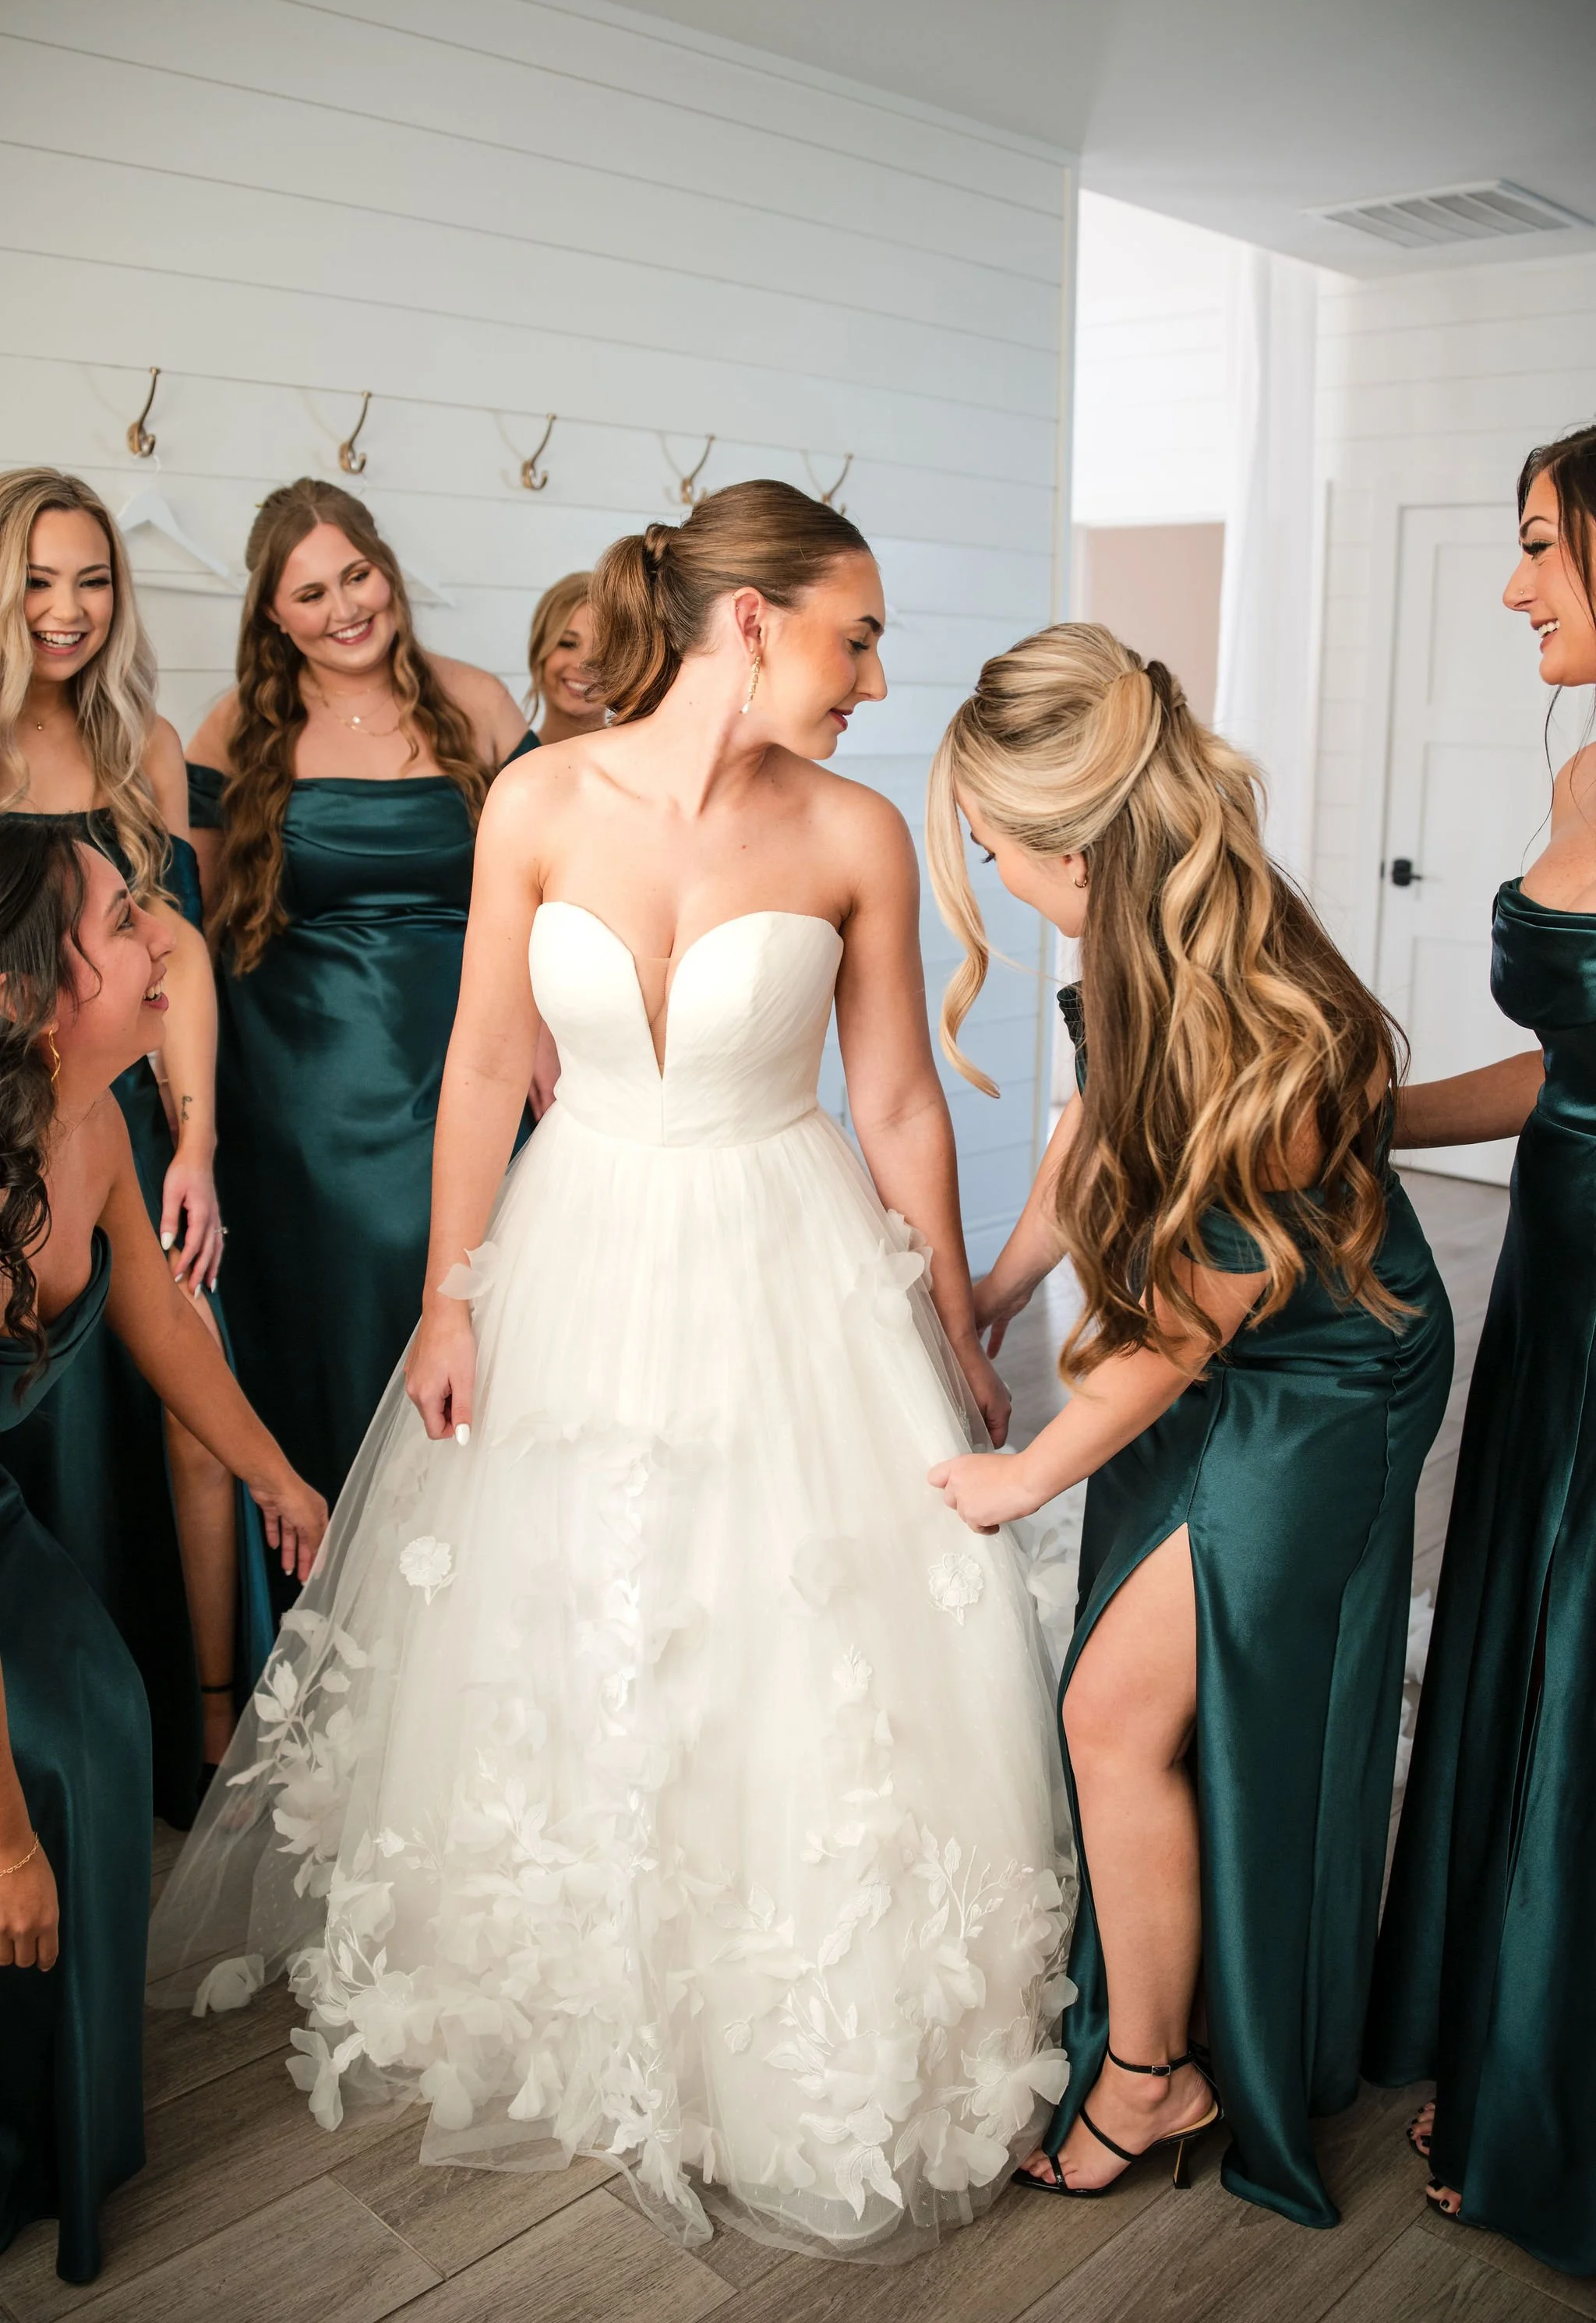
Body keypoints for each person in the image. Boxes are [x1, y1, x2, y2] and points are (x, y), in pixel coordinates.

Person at [150, 481, 1075, 2261]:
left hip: (782, 1251)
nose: (875, 675)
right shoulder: (536, 797)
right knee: (578, 1599)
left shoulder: (853, 830)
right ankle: (574, 1973)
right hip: (572, 1248)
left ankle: (768, 2001)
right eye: (852, 633)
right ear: (748, 624)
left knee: (774, 1616)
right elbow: (488, 1058)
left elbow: (891, 1101)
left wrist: (953, 1318)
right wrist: (446, 1292)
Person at [924, 625, 1453, 2227]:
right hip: (1228, 1338)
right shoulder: (1143, 934)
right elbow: (1093, 1143)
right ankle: (1169, 2037)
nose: (990, 876)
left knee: (1109, 1712)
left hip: (1326, 1368)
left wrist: (1021, 1473)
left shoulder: (1230, 985)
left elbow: (1184, 1321)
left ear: (1071, 848)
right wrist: (998, 1292)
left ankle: (1155, 2076)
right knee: (1135, 1706)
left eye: (993, 850)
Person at [0, 820, 326, 2283]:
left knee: (110, 1722)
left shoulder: (86, 1116)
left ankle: (53, 2125)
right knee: (42, 1783)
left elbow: (152, 1319)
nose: (163, 944)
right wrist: (3, 1837)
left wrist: (278, 1477)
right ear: (26, 987)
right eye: (126, 922)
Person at [1365, 424, 1596, 2276]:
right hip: (1561, 1249)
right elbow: (1563, 1067)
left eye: (1534, 544)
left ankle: (1545, 2080)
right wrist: (1364, 1112)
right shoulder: (1588, 762)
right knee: (1528, 1603)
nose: (1513, 582)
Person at [0, 466, 272, 1816]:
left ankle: (207, 1725)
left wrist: (197, 1138)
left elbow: (177, 953)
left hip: (131, 1112)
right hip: (13, 1133)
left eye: (93, 578)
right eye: (40, 580)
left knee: (196, 1386)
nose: (68, 609)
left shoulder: (144, 745)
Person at [185, 480, 531, 1517]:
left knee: (477, 1309)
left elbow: (560, 887)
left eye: (357, 575)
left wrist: (551, 1028)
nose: (344, 609)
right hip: (297, 1092)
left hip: (466, 1057)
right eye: (309, 594)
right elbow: (185, 925)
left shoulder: (476, 702)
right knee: (332, 1324)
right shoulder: (237, 727)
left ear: (387, 570)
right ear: (271, 615)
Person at [524, 570, 606, 743]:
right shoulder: (503, 765)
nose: (583, 664)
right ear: (539, 651)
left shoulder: (650, 766)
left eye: (604, 649)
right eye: (567, 643)